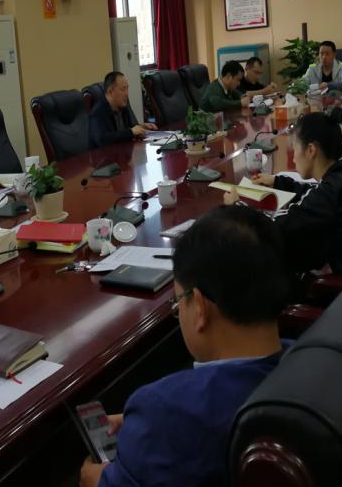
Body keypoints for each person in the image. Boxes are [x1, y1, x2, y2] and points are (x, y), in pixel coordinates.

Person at [79, 205, 289, 487]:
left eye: (178, 303)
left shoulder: (163, 409)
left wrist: (96, 481)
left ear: (199, 308)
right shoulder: (311, 361)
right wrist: (146, 426)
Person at [225, 111, 342, 278]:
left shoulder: (328, 194)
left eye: (294, 148)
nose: (293, 157)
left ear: (311, 150)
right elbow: (315, 191)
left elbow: (274, 225)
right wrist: (278, 181)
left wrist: (237, 207)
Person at [89, 72, 157, 149]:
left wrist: (141, 127)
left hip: (122, 152)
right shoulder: (97, 112)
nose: (127, 93)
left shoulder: (123, 106)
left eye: (127, 88)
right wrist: (131, 132)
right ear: (110, 91)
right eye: (123, 89)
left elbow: (128, 129)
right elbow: (102, 139)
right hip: (104, 155)